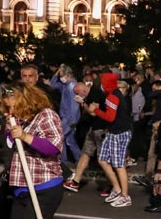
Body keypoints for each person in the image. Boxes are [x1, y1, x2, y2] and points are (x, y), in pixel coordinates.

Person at [0, 82, 78, 219]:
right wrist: (11, 129)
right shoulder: (19, 119)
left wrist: (25, 136)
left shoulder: (46, 115)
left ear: (24, 99)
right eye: (7, 107)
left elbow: (53, 147)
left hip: (44, 186)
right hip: (21, 186)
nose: (10, 110)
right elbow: (11, 144)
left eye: (12, 105)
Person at [90, 73, 133, 208]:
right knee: (103, 160)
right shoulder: (113, 94)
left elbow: (110, 117)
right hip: (113, 132)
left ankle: (125, 196)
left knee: (119, 165)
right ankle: (117, 189)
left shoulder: (112, 97)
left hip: (119, 133)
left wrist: (96, 110)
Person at [62, 81, 107, 193]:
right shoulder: (90, 94)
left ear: (83, 90)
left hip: (101, 128)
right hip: (93, 128)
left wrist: (83, 103)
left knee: (103, 159)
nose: (79, 96)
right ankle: (75, 182)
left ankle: (110, 185)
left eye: (79, 94)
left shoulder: (95, 93)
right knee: (85, 154)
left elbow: (93, 112)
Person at [50, 65, 82, 164]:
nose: (61, 77)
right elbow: (52, 85)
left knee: (60, 137)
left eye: (62, 75)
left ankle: (63, 160)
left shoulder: (72, 86)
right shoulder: (65, 85)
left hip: (69, 118)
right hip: (67, 117)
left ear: (68, 75)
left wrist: (73, 120)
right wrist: (56, 74)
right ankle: (79, 159)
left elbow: (74, 105)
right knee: (69, 140)